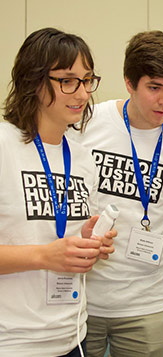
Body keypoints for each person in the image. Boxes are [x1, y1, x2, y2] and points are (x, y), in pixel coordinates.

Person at [69, 30, 163, 356]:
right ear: (129, 83)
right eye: (154, 88)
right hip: (81, 296)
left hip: (146, 300)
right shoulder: (86, 124)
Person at [0, 28, 115, 356]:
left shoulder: (82, 159)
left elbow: (63, 240)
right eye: (67, 80)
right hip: (13, 341)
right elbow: (47, 248)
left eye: (87, 80)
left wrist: (92, 243)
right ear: (34, 81)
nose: (81, 93)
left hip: (71, 335)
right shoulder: (4, 145)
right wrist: (43, 255)